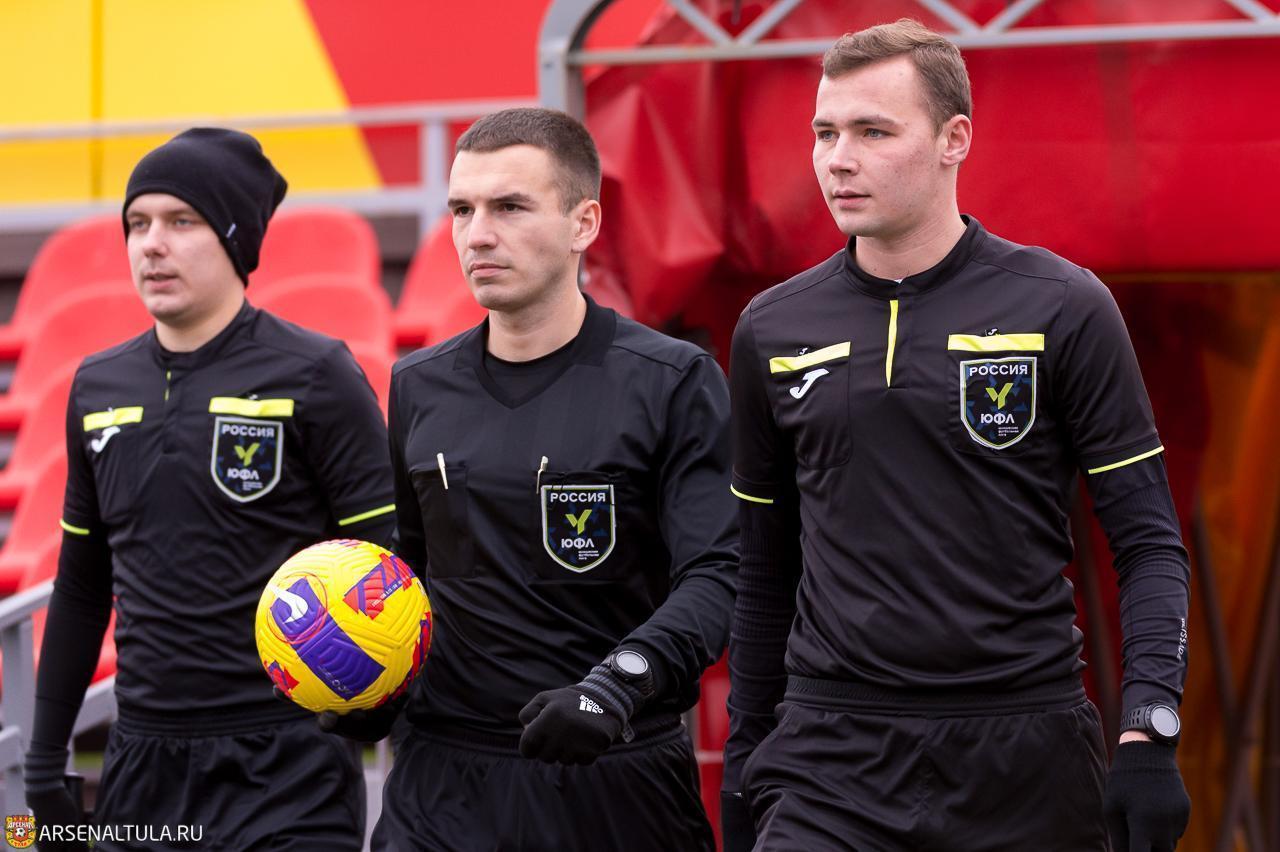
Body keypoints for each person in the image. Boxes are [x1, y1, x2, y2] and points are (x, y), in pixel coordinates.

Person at [721, 19, 1191, 852]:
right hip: (831, 757)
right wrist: (744, 760)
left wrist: (1149, 726)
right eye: (825, 133)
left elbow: (1149, 542)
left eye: (873, 132)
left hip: (1024, 748)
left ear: (954, 139)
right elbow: (762, 572)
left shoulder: (1063, 305)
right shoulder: (772, 326)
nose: (838, 159)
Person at [358, 108, 736, 852]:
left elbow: (717, 574)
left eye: (509, 207)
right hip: (441, 785)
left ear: (583, 223)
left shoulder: (671, 380)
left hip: (612, 773)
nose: (477, 234)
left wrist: (617, 686)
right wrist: (371, 679)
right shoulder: (417, 384)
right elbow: (411, 570)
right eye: (462, 210)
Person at [23, 128, 396, 851]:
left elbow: (390, 565)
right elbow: (81, 588)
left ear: (234, 240)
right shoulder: (96, 386)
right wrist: (43, 761)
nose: (151, 245)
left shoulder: (317, 374)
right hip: (141, 766)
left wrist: (371, 706)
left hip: (287, 767)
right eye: (137, 224)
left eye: (181, 221)